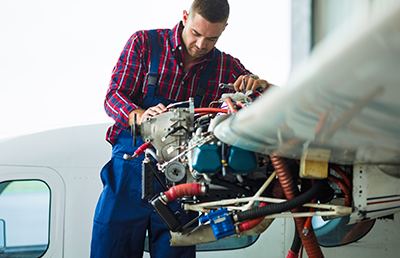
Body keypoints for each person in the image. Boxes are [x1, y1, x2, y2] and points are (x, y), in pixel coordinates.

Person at [90, 0, 271, 257]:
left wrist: (259, 85)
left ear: (224, 29)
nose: (201, 45)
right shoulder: (144, 44)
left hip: (184, 183)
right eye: (196, 34)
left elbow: (265, 102)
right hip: (130, 171)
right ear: (185, 17)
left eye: (211, 38)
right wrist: (139, 115)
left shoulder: (226, 67)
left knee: (176, 249)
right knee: (112, 247)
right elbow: (114, 96)